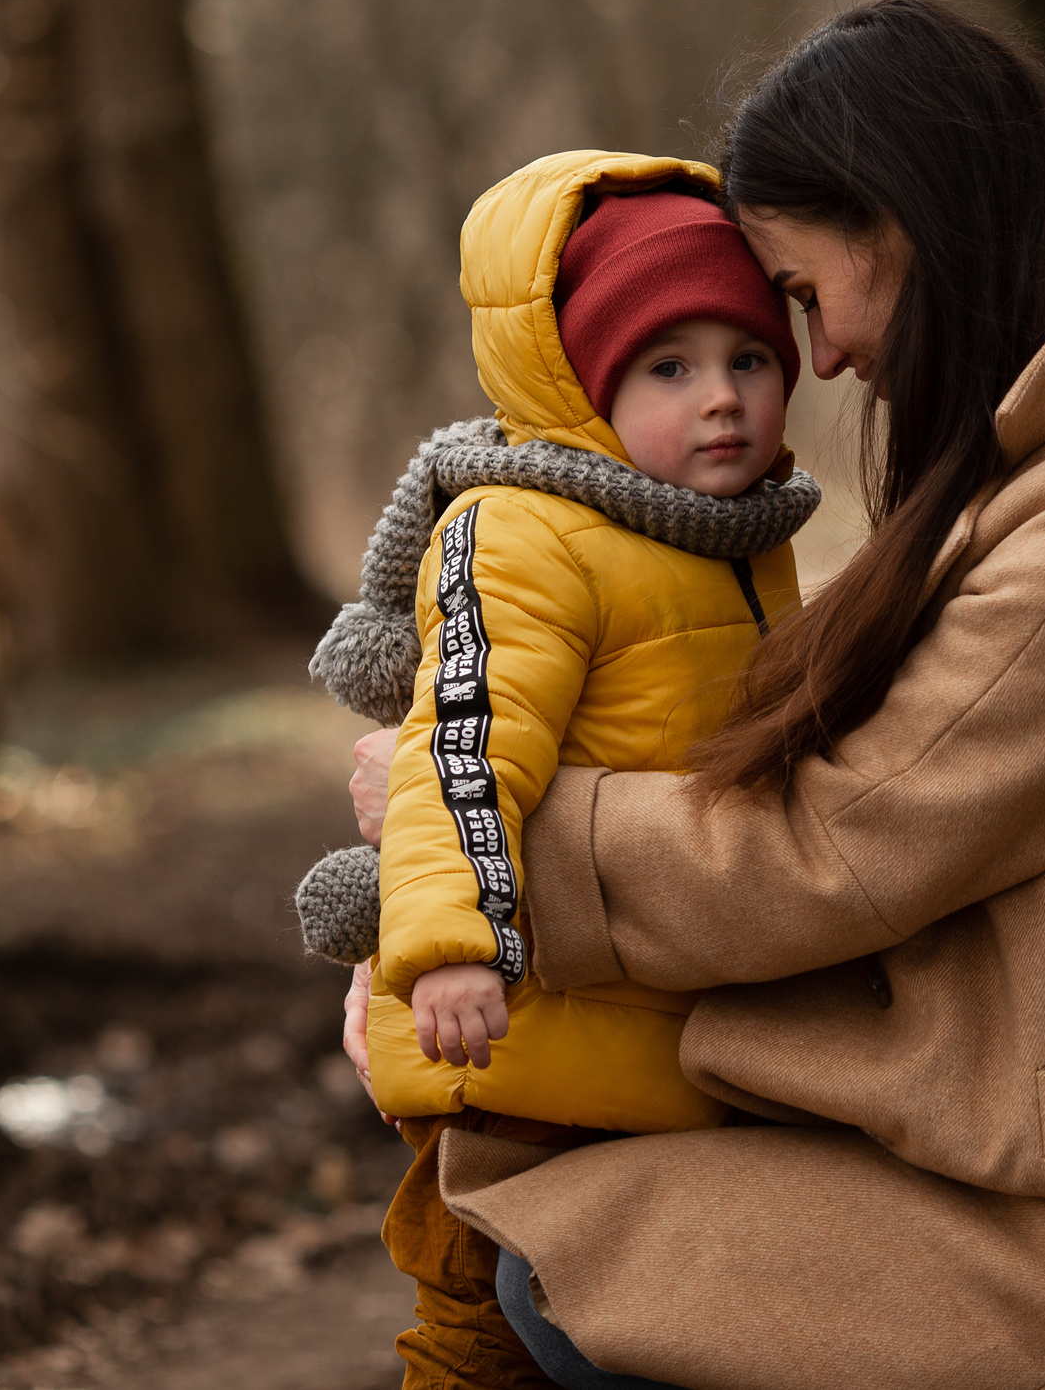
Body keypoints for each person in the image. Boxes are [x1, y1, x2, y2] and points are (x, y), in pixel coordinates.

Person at [344, 0, 1045, 1390]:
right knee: (563, 1225)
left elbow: (837, 848)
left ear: (901, 224)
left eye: (798, 298)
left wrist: (479, 860)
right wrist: (448, 920)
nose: (823, 358)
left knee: (572, 1269)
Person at [320, 151, 812, 1390]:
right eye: (669, 368)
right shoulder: (525, 535)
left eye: (749, 359)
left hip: (640, 1029)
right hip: (504, 1041)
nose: (722, 400)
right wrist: (452, 948)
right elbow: (462, 750)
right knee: (477, 1328)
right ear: (585, 388)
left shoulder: (736, 536)